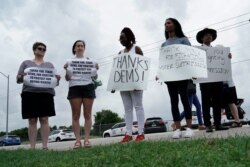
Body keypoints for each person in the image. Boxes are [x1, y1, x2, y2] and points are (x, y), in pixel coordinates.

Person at [17, 42, 61, 149]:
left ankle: (45, 146)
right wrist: (21, 77)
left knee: (44, 119)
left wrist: (57, 79)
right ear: (34, 50)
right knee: (32, 120)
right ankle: (32, 147)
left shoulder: (49, 65)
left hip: (46, 94)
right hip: (29, 93)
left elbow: (54, 83)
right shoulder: (26, 63)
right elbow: (18, 79)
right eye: (40, 48)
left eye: (44, 49)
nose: (42, 51)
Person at [160, 18, 193, 139]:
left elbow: (190, 56)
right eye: (165, 24)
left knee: (184, 99)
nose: (166, 25)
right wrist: (160, 73)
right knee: (174, 101)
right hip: (170, 76)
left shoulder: (183, 40)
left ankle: (189, 128)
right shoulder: (164, 44)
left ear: (175, 25)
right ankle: (178, 129)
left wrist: (193, 71)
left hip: (183, 75)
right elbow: (163, 61)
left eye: (169, 23)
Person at [111, 27, 145, 143]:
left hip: (135, 84)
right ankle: (128, 133)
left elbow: (143, 67)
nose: (121, 40)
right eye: (120, 38)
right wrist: (114, 85)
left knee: (138, 106)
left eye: (123, 37)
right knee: (127, 109)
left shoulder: (137, 49)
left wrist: (139, 82)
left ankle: (141, 133)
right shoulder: (120, 53)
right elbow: (117, 71)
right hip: (124, 86)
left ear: (129, 37)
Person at [64, 40, 98, 148]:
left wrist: (96, 70)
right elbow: (67, 78)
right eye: (77, 46)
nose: (79, 47)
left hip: (88, 86)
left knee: (87, 115)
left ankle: (87, 140)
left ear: (84, 48)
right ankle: (78, 141)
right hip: (74, 87)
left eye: (81, 46)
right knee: (75, 115)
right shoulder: (69, 61)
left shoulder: (90, 61)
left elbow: (95, 77)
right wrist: (66, 70)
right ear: (74, 48)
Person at [196, 28, 229, 132]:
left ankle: (218, 124)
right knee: (205, 102)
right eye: (206, 35)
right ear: (202, 38)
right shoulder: (197, 51)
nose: (209, 36)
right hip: (204, 80)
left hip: (217, 80)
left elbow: (224, 62)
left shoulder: (217, 51)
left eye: (210, 35)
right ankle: (208, 125)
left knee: (217, 102)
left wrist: (227, 57)